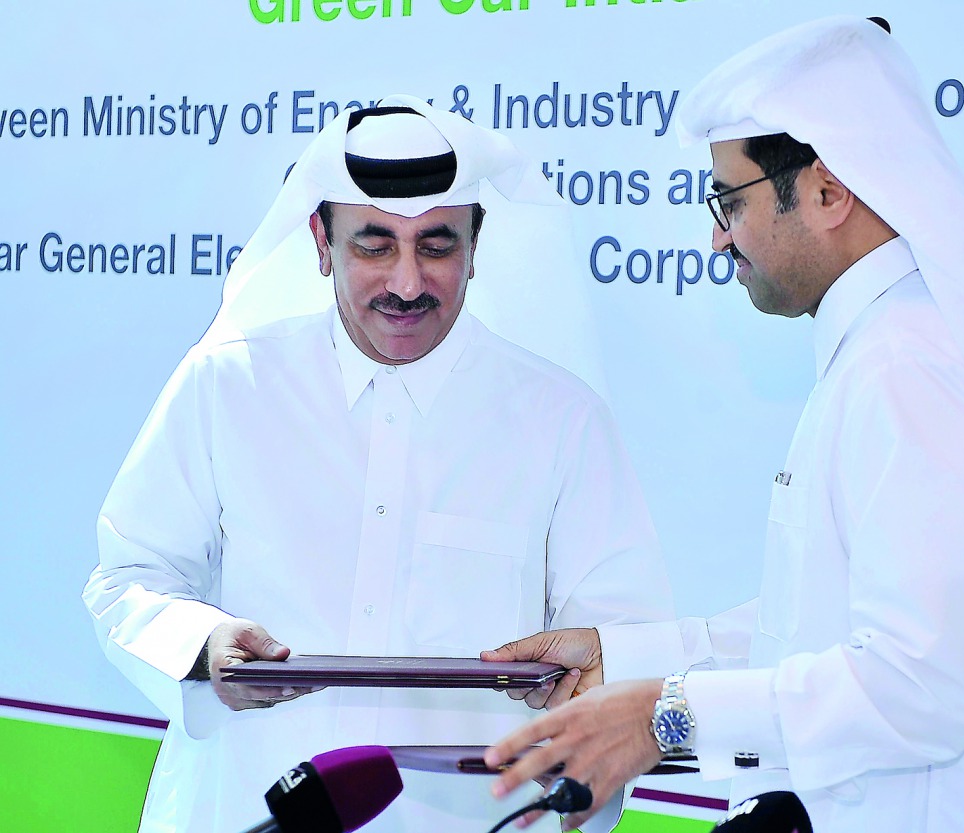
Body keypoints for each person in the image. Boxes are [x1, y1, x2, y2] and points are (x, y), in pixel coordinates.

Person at [483, 17, 964, 833]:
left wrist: (665, 715)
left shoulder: (909, 369)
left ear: (828, 190)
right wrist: (622, 660)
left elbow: (925, 684)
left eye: (727, 202)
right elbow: (819, 626)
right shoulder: (898, 345)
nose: (715, 236)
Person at [82, 96, 676, 833]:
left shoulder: (563, 419)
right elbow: (127, 580)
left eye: (435, 245)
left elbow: (620, 647)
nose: (405, 282)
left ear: (474, 244)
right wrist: (201, 650)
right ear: (321, 243)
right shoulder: (227, 384)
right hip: (240, 809)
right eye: (373, 245)